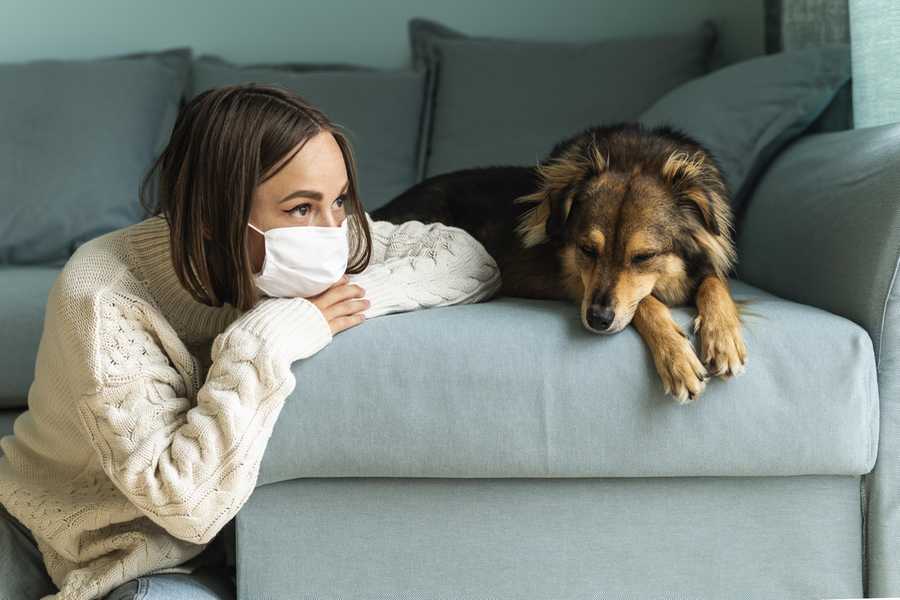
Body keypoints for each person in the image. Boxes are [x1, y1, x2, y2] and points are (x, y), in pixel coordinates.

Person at [0, 83, 501, 600]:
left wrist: (326, 303)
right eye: (302, 208)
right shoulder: (104, 294)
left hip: (204, 558)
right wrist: (264, 340)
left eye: (340, 200)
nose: (334, 232)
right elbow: (185, 506)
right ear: (216, 217)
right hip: (65, 535)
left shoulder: (328, 235)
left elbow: (470, 261)